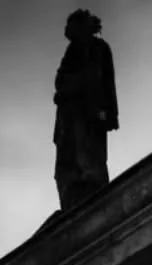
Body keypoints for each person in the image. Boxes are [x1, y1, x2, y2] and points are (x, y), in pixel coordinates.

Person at [53, 12, 117, 211]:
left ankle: (90, 189)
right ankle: (71, 194)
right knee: (68, 162)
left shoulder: (99, 48)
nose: (67, 30)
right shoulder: (73, 51)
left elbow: (105, 82)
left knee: (88, 156)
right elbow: (60, 81)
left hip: (89, 112)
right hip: (69, 115)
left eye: (70, 25)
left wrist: (110, 114)